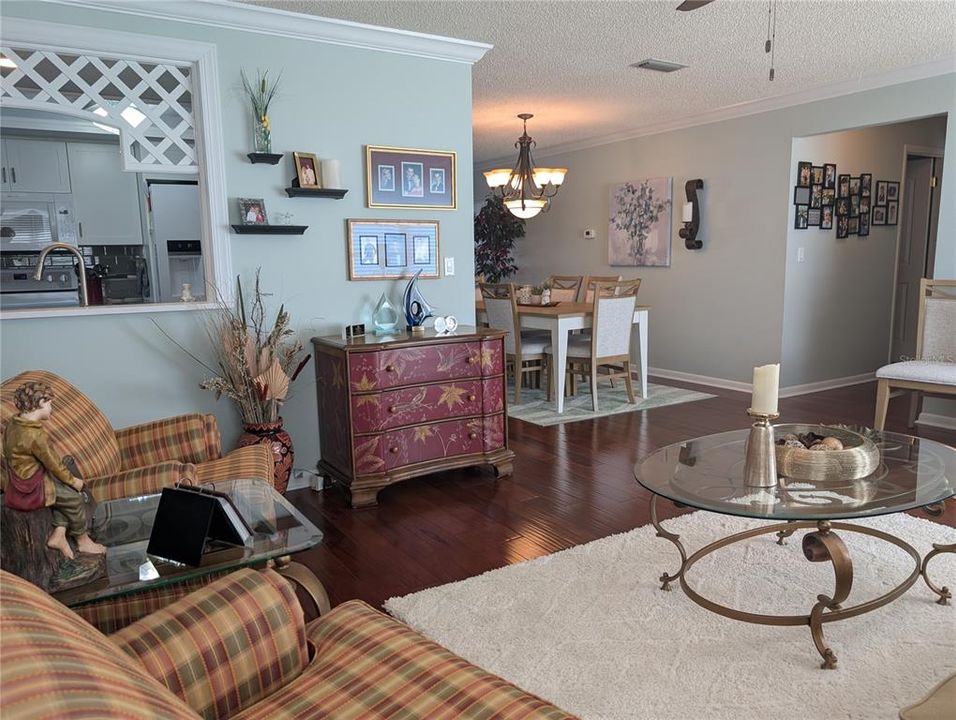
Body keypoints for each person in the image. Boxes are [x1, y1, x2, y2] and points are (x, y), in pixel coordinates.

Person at [2, 381, 105, 559]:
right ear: (41, 402)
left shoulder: (14, 423)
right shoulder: (35, 435)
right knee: (73, 498)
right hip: (31, 486)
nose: (52, 409)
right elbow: (54, 464)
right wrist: (74, 481)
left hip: (21, 479)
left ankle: (58, 534)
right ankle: (83, 541)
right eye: (50, 404)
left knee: (64, 494)